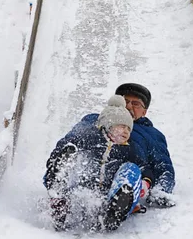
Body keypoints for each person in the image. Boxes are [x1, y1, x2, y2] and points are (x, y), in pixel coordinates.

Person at [44, 95, 152, 231]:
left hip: (108, 198)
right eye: (122, 126)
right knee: (72, 155)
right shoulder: (88, 137)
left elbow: (144, 167)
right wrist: (63, 156)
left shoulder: (129, 149)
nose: (126, 131)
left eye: (128, 129)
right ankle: (59, 199)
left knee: (132, 169)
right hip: (80, 190)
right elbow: (64, 146)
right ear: (109, 126)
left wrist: (145, 182)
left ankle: (115, 212)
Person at [77, 83, 176, 208]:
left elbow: (163, 165)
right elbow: (75, 139)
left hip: (124, 174)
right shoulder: (96, 119)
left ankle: (118, 206)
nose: (129, 106)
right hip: (92, 171)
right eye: (125, 101)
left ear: (144, 111)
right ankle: (62, 197)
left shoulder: (151, 134)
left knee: (130, 171)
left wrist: (161, 190)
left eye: (135, 104)